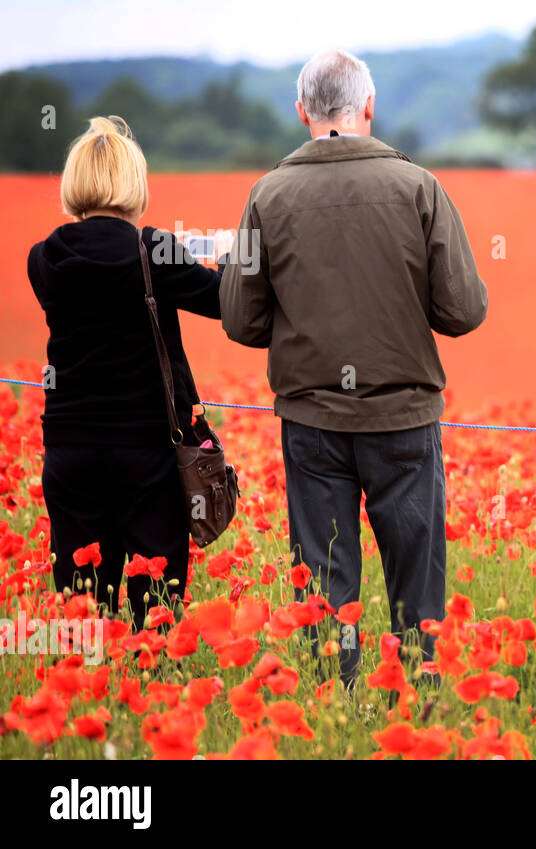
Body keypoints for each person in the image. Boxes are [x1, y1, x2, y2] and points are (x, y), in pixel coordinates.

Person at [220, 49, 489, 687]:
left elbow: (241, 321)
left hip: (313, 422)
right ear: (368, 106)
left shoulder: (267, 195)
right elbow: (462, 310)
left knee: (323, 574)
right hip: (403, 419)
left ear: (301, 112)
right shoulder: (418, 187)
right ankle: (419, 703)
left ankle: (329, 702)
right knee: (415, 574)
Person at [28, 116, 231, 630]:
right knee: (154, 610)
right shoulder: (152, 250)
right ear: (133, 182)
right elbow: (222, 300)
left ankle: (81, 701)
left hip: (70, 453)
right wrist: (231, 260)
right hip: (148, 457)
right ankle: (151, 698)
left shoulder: (44, 259)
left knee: (81, 612)